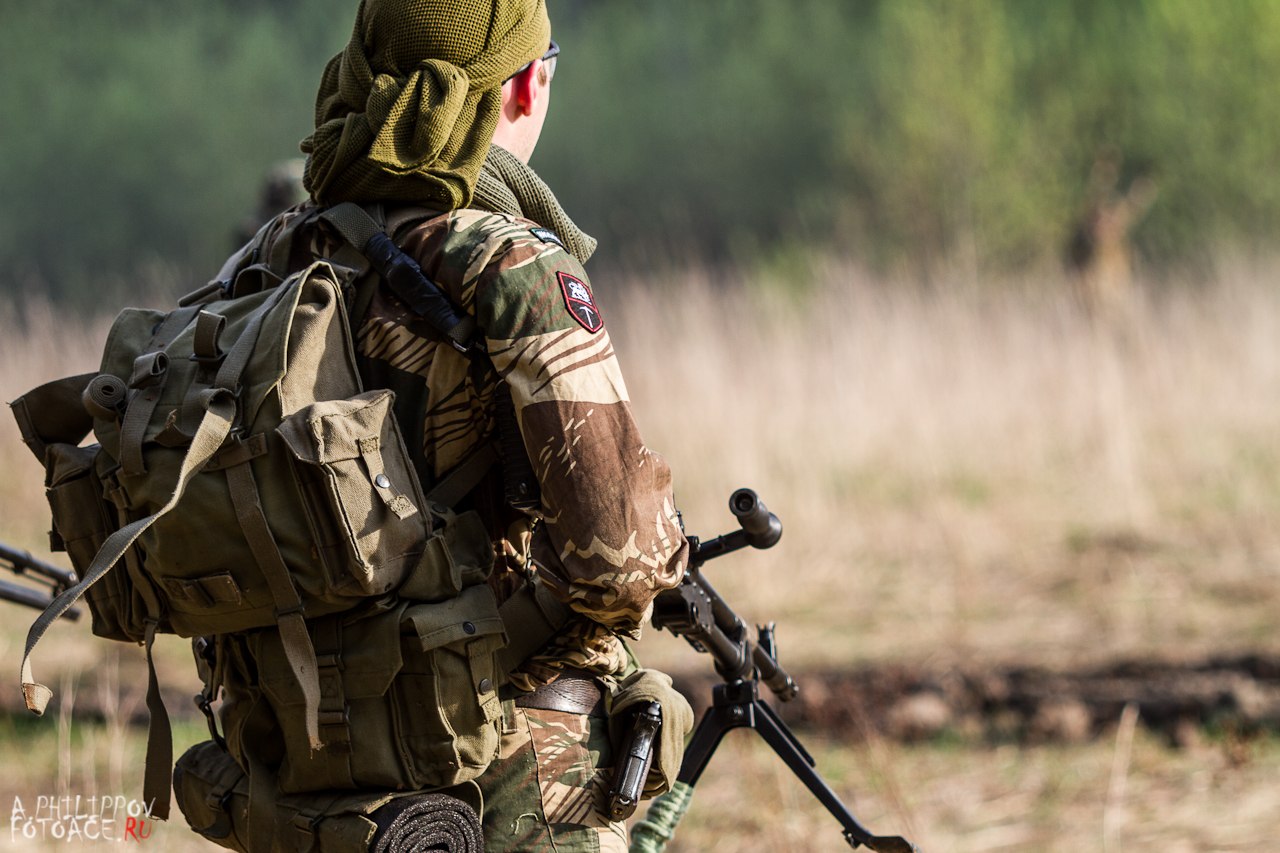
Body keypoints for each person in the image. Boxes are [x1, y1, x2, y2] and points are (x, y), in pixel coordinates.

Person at [230, 1, 689, 850]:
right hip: (505, 770)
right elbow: (619, 559)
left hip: (304, 766)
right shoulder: (509, 261)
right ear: (527, 82)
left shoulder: (273, 257)